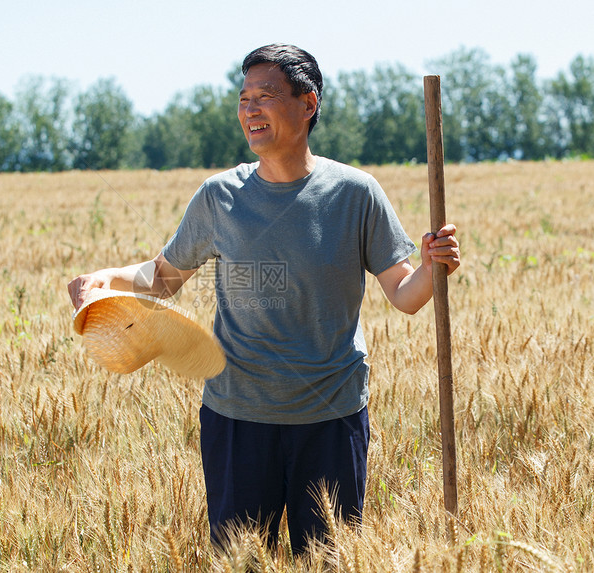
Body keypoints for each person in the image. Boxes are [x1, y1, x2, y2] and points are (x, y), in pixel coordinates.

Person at [68, 43, 461, 555]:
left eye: (266, 95)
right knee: (239, 563)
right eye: (244, 98)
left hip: (331, 417)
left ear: (308, 102)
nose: (250, 109)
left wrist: (434, 266)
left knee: (327, 561)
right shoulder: (219, 197)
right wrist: (104, 280)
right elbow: (164, 277)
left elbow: (405, 295)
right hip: (237, 417)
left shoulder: (356, 194)